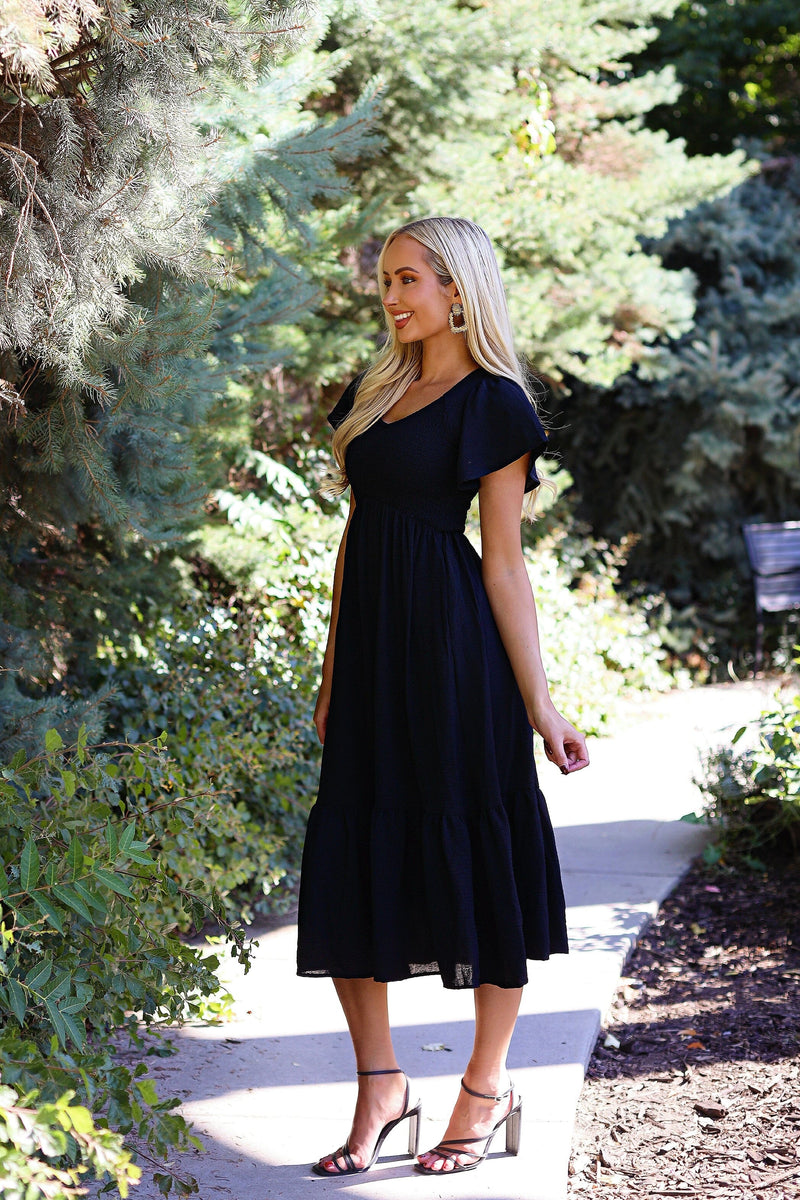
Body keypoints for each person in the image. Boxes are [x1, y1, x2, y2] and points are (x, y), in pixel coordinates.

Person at [296, 215, 589, 1177]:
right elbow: (356, 536)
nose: (390, 297)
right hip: (373, 659)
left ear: (457, 289)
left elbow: (504, 565)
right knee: (354, 848)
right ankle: (381, 1085)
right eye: (385, 280)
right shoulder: (375, 391)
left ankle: (485, 1085)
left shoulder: (495, 404)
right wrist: (333, 673)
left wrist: (542, 706)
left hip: (455, 657)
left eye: (408, 280)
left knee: (479, 851)